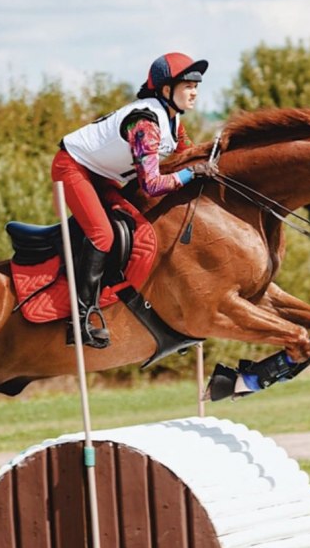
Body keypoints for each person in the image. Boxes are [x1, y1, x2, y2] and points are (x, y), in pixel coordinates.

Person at [52, 52, 213, 349]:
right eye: (188, 85)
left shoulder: (173, 122)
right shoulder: (145, 124)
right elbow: (151, 184)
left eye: (196, 86)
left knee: (138, 226)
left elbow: (186, 156)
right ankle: (80, 320)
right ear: (166, 90)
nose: (195, 92)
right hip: (73, 168)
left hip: (100, 173)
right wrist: (191, 174)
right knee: (103, 234)